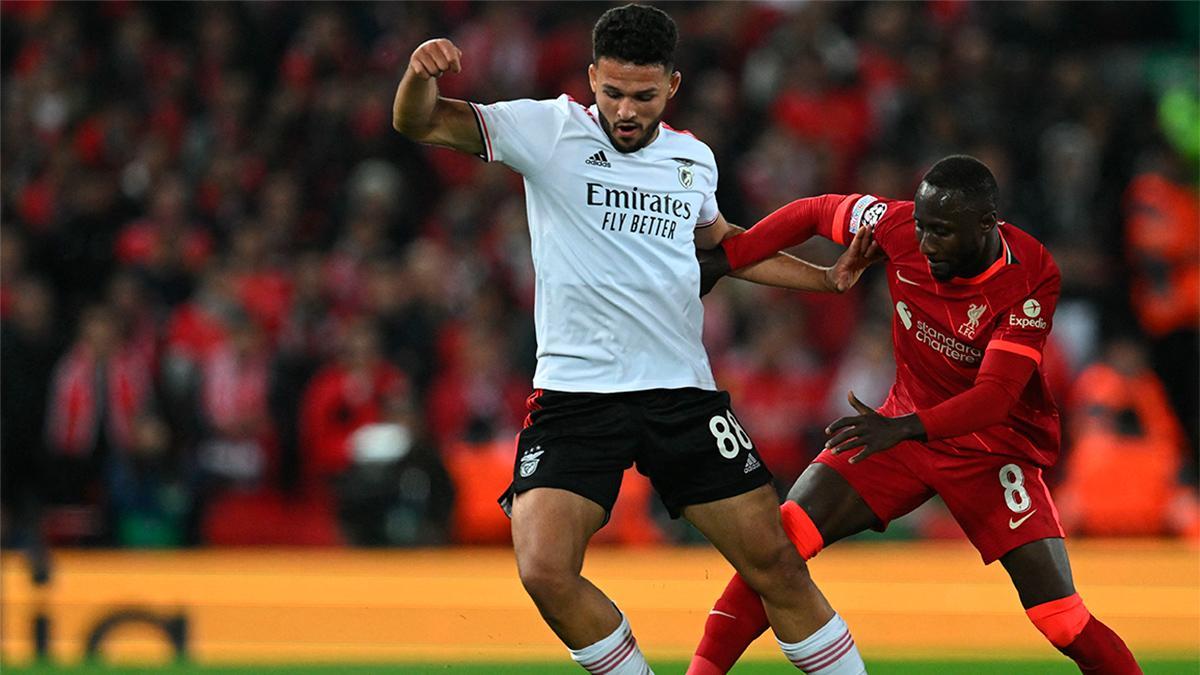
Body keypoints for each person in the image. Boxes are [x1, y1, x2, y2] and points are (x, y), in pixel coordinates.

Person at [392, 5, 875, 673]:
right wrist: (419, 76)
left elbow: (727, 245)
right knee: (543, 568)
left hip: (680, 393)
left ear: (672, 87)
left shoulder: (692, 159)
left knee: (776, 564)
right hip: (575, 395)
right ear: (591, 77)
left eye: (643, 95)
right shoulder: (548, 130)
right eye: (612, 91)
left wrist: (826, 278)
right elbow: (418, 120)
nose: (625, 109)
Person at [688, 155, 1142, 675]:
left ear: (987, 225)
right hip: (902, 428)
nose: (925, 245)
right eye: (923, 228)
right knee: (776, 547)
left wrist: (902, 428)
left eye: (943, 233)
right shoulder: (900, 225)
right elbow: (815, 211)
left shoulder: (1030, 276)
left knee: (1061, 621)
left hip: (991, 451)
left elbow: (995, 397)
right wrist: (732, 258)